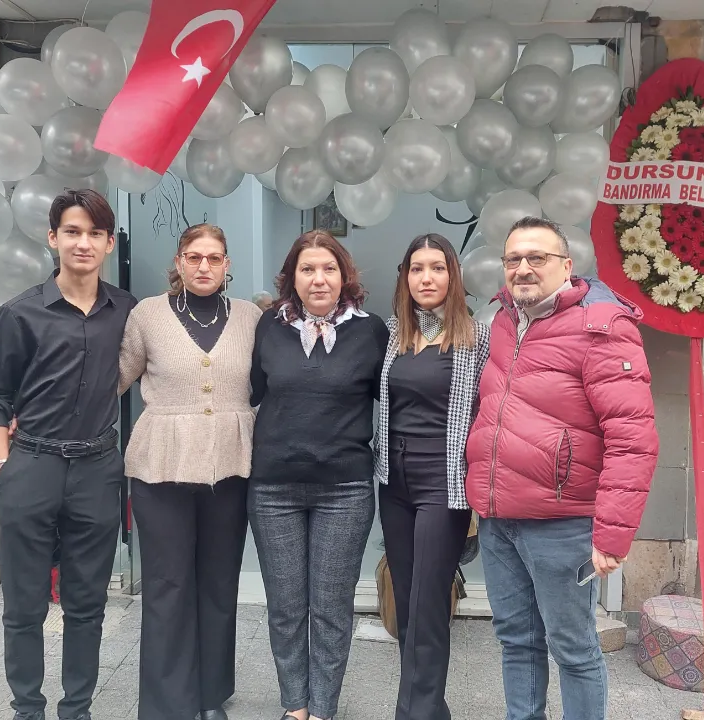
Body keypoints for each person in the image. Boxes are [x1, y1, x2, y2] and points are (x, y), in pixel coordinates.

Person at [465, 216, 659, 720]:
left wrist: (612, 535)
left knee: (573, 649)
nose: (523, 268)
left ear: (567, 266)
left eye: (538, 257)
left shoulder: (602, 327)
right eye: (513, 259)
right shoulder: (504, 321)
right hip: (499, 521)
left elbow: (632, 438)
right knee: (516, 641)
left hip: (562, 524)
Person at [0, 189, 136, 720]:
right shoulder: (20, 313)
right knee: (23, 605)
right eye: (72, 231)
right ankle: (28, 709)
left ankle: (77, 710)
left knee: (87, 605)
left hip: (97, 470)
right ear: (53, 238)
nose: (82, 242)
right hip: (32, 466)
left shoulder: (127, 311)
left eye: (94, 233)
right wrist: (3, 465)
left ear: (109, 243)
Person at [118, 223, 263, 720]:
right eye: (194, 257)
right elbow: (114, 379)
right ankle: (168, 703)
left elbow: (273, 381)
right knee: (168, 584)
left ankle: (209, 695)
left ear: (227, 265)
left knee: (219, 583)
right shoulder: (148, 315)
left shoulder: (250, 318)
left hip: (232, 466)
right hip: (161, 466)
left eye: (214, 258)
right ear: (179, 262)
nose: (204, 266)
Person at [249, 230, 389, 720]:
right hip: (273, 488)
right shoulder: (269, 326)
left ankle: (323, 708)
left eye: (329, 268)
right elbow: (253, 391)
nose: (319, 279)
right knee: (286, 606)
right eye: (307, 269)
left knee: (330, 607)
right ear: (292, 278)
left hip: (345, 490)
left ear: (344, 276)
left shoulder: (371, 331)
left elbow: (392, 399)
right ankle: (295, 706)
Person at [373, 234, 490, 720]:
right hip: (392, 479)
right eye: (417, 268)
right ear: (405, 276)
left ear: (453, 276)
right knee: (405, 599)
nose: (426, 278)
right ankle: (428, 708)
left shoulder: (477, 336)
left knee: (427, 600)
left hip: (444, 480)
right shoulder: (391, 332)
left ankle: (414, 713)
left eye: (437, 268)